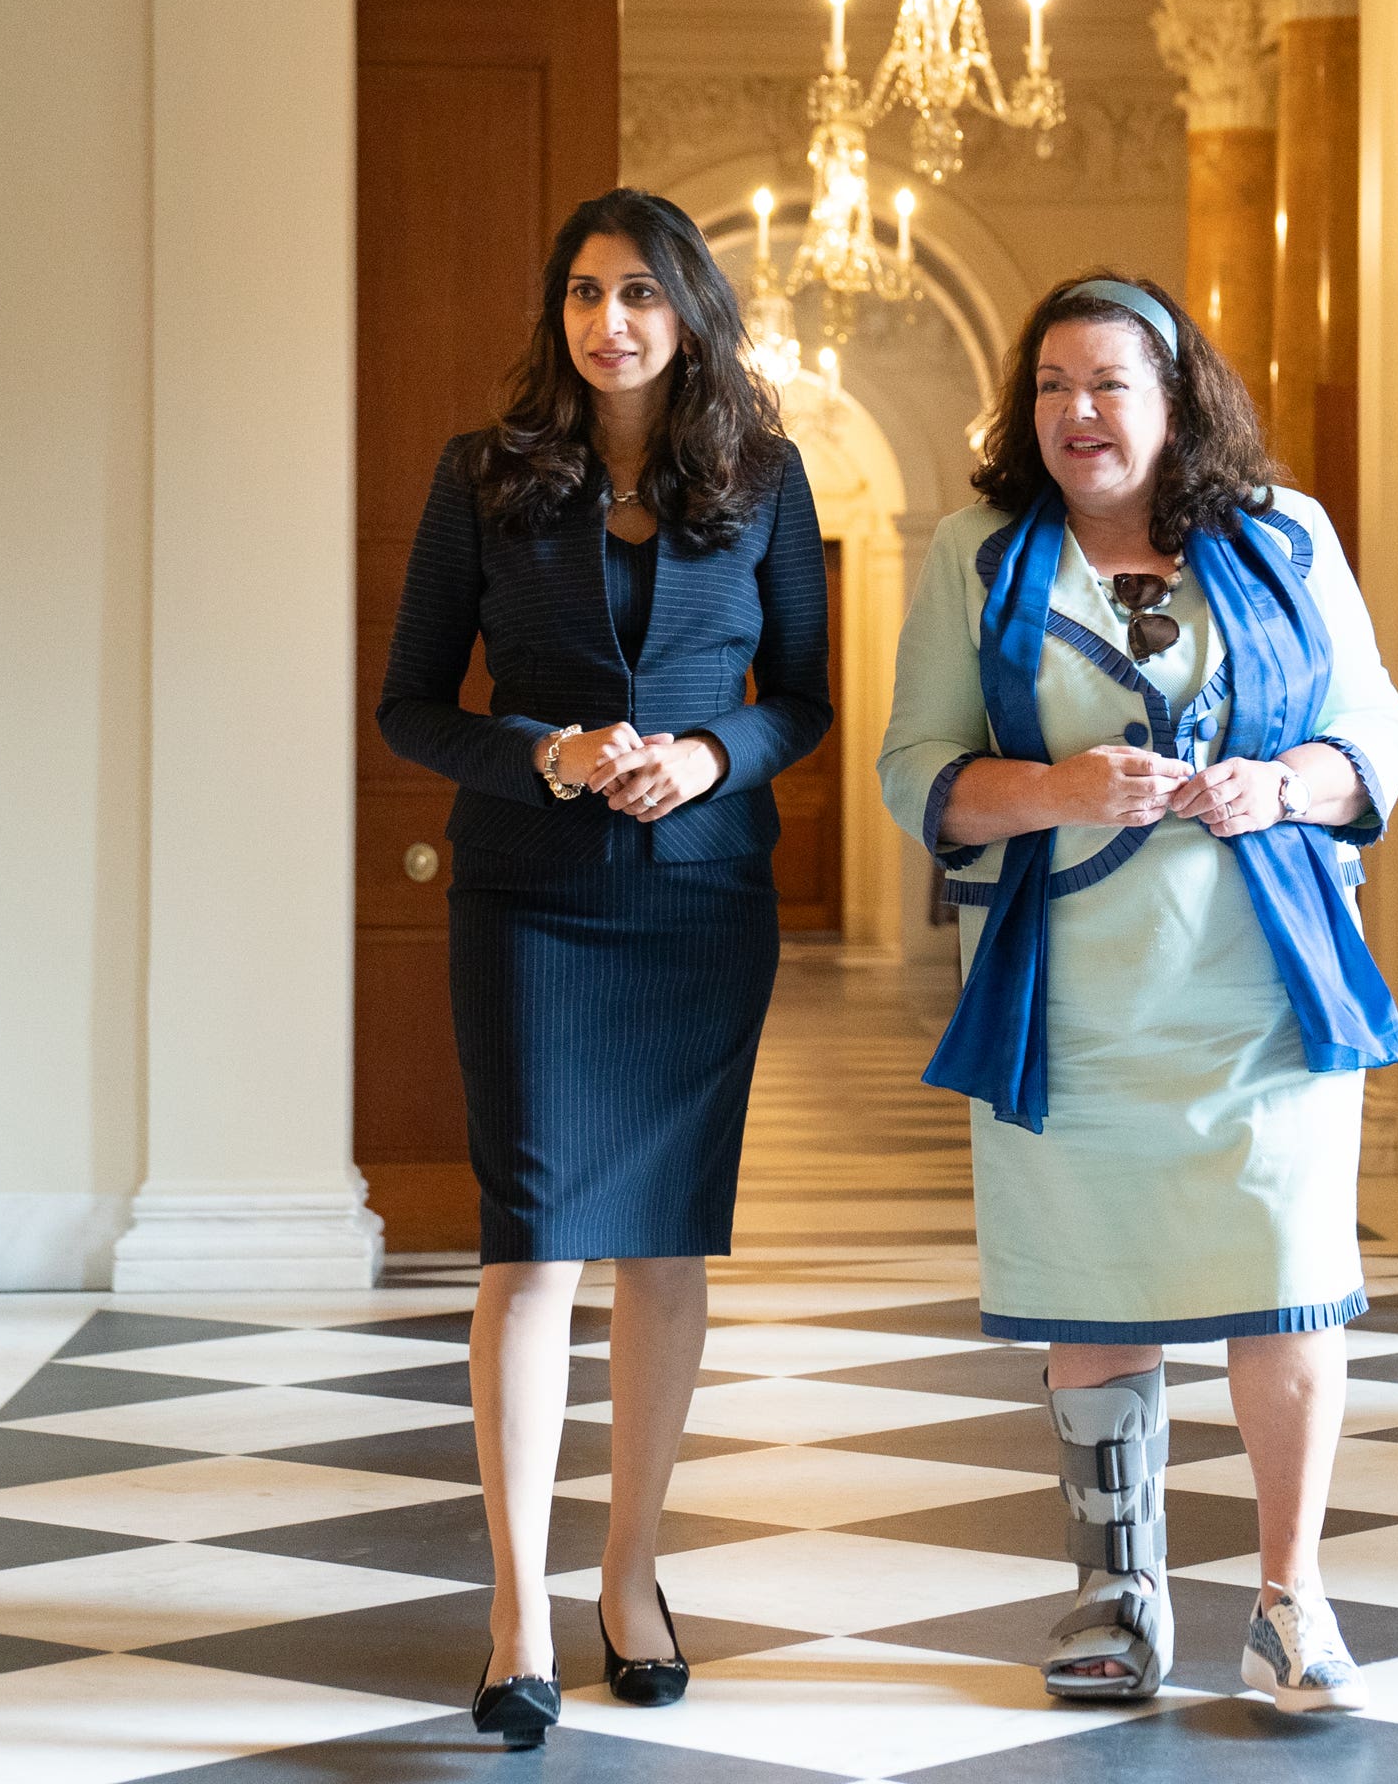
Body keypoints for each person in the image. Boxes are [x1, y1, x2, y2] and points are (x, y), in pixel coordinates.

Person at [878, 273, 1398, 1714]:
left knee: (1289, 1292)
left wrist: (1286, 782)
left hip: (1267, 990)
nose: (1076, 414)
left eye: (1109, 383)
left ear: (1177, 402)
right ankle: (1116, 1593)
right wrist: (1053, 787)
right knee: (1097, 1290)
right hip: (1073, 1000)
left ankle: (1292, 1600)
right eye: (1050, 386)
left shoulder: (1285, 536)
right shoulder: (978, 554)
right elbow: (912, 769)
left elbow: (1376, 727)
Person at [378, 188, 832, 1748]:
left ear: (689, 312)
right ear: (557, 315)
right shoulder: (483, 478)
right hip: (534, 900)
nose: (609, 320)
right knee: (533, 1245)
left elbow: (805, 701)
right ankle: (518, 1611)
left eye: (640, 293)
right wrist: (545, 753)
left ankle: (629, 1579)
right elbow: (410, 705)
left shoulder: (763, 479)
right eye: (583, 292)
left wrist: (711, 756)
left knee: (665, 1251)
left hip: (702, 901)